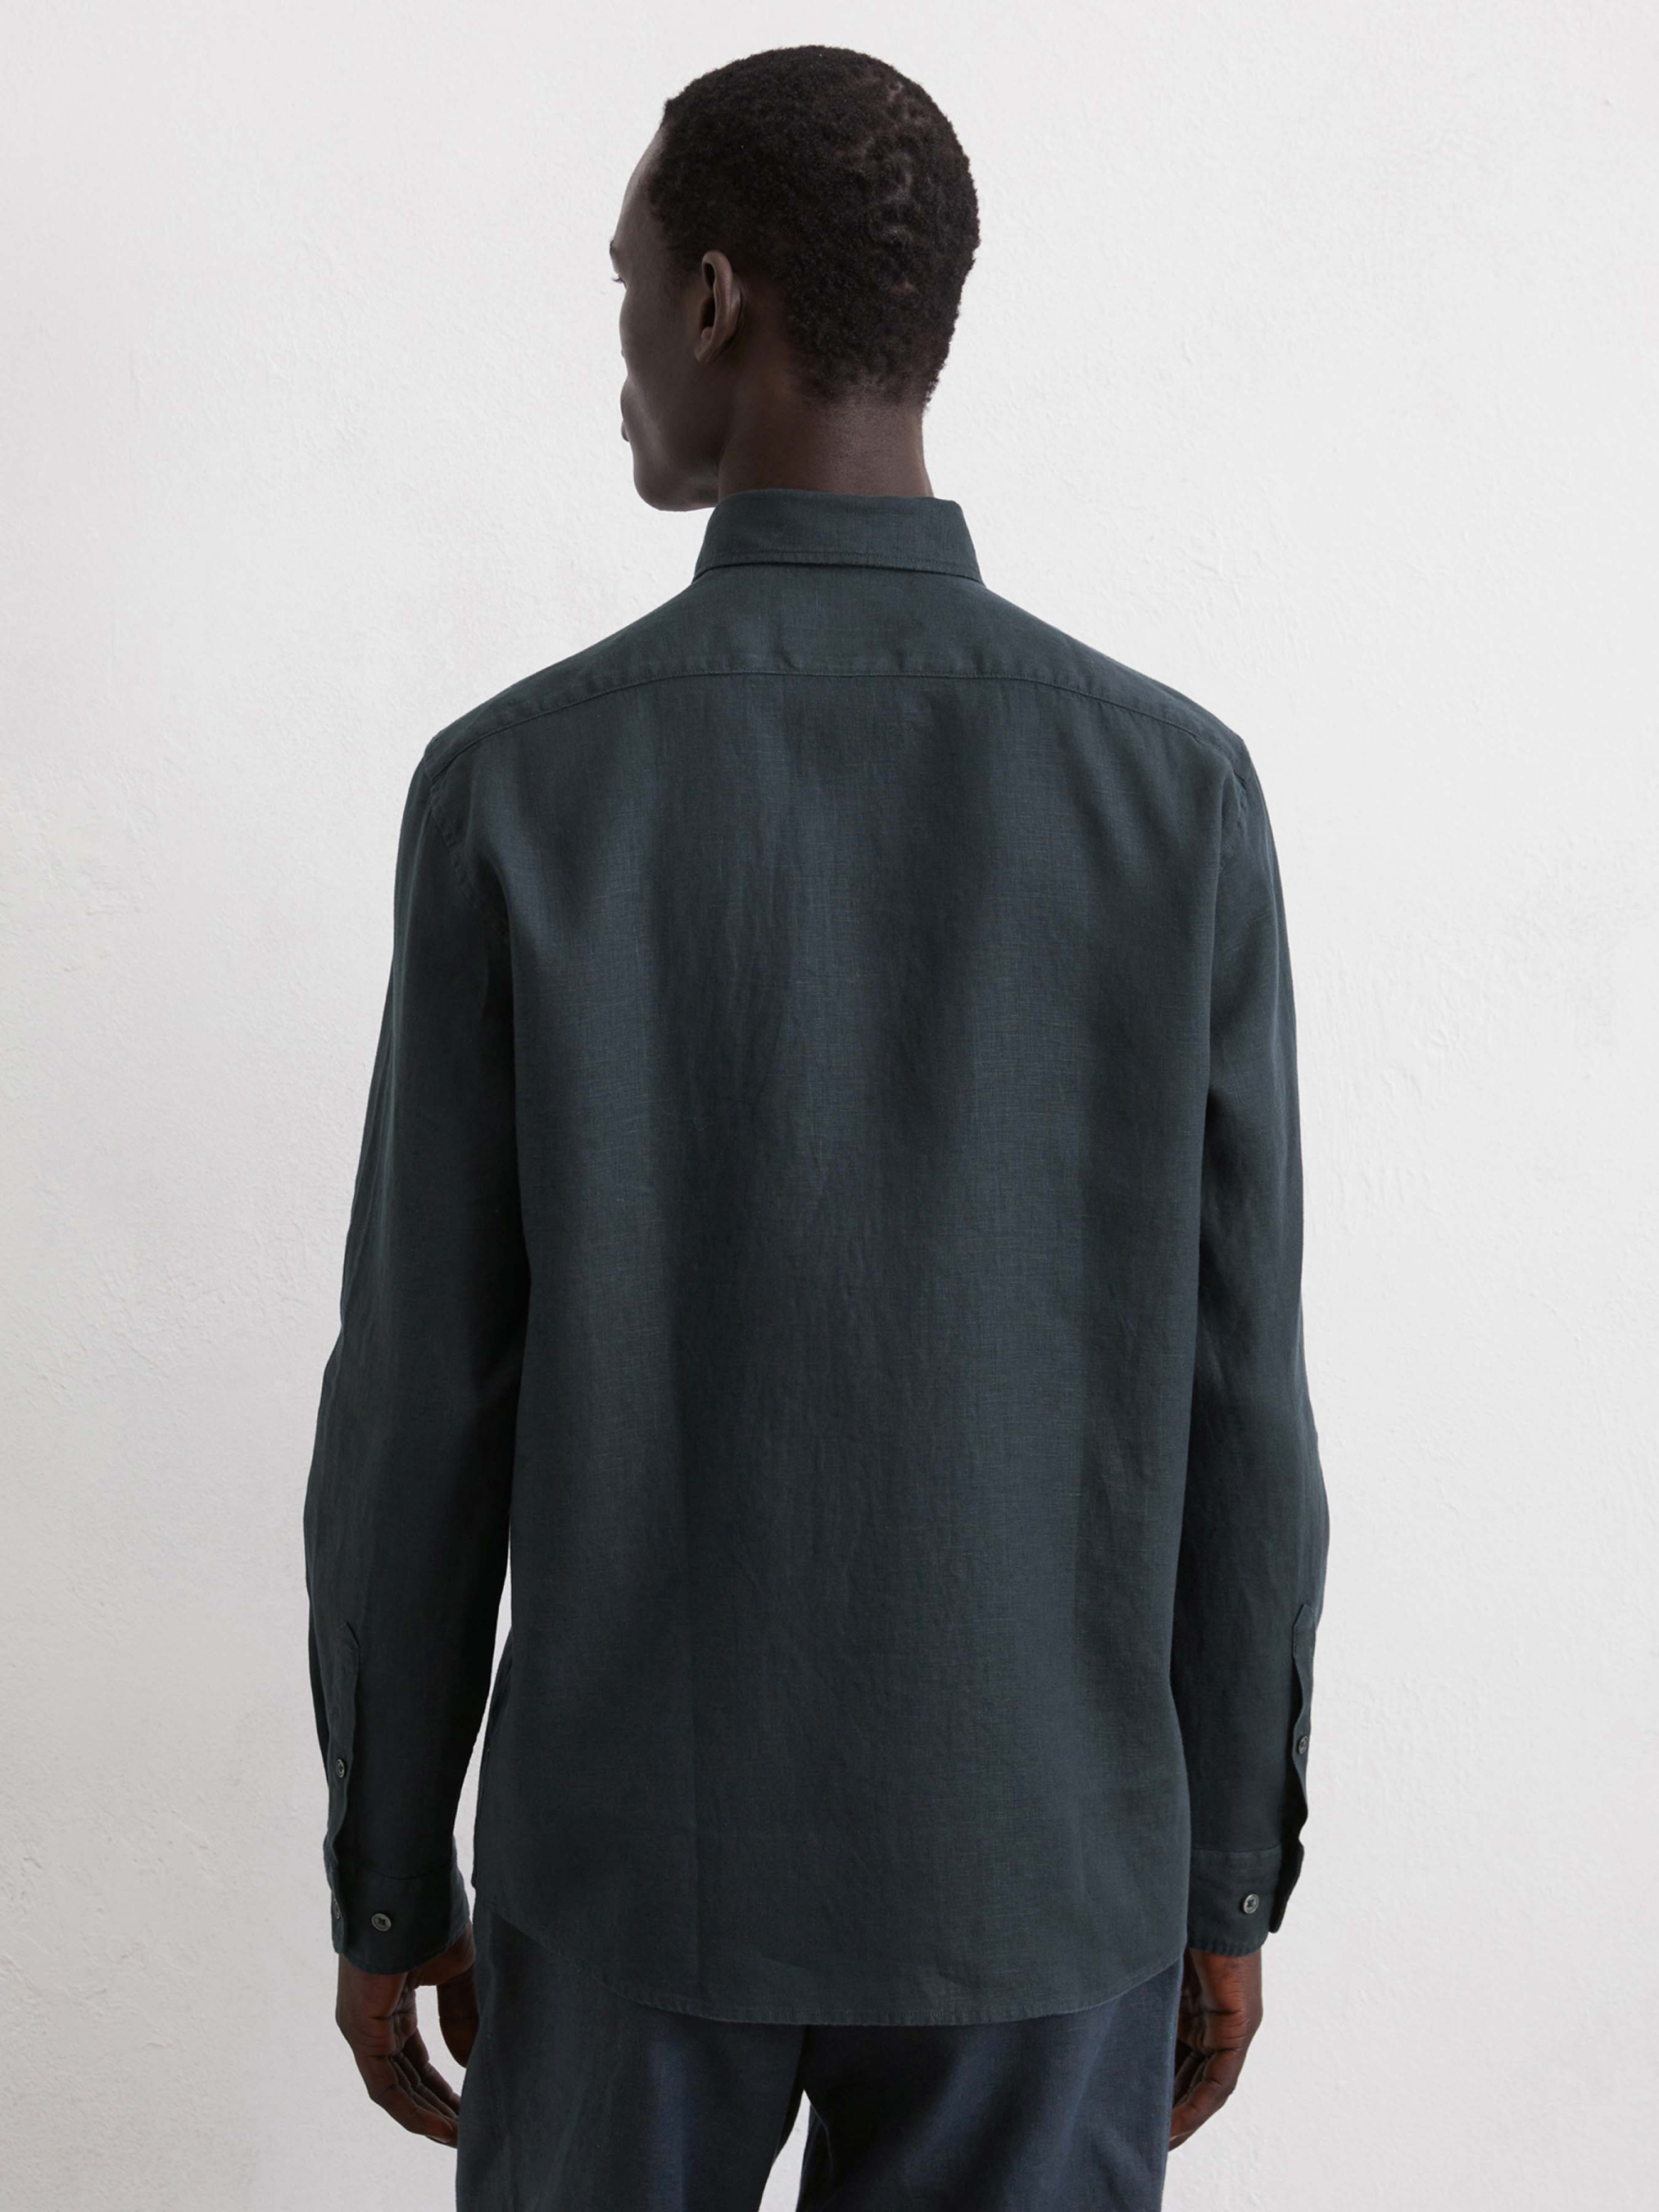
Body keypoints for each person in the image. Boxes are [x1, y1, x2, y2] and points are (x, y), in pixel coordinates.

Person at [302, 43, 1330, 2212]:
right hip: (1039, 1881)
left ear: (714, 302)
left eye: (626, 287)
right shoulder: (1176, 796)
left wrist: (390, 1866)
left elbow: (422, 1397)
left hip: (626, 1877)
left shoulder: (519, 790)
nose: (617, 354)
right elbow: (1241, 1393)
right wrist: (1226, 1868)